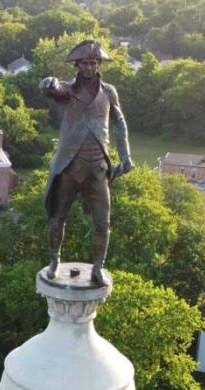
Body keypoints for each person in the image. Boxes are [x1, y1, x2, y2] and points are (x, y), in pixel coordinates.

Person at [40, 39, 133, 285]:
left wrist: (126, 157)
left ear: (99, 64)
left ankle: (98, 267)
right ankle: (54, 260)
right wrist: (47, 83)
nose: (90, 67)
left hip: (98, 168)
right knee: (57, 218)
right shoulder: (68, 90)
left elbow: (119, 124)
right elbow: (53, 88)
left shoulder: (109, 92)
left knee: (103, 222)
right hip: (70, 166)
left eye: (94, 62)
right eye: (84, 63)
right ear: (77, 65)